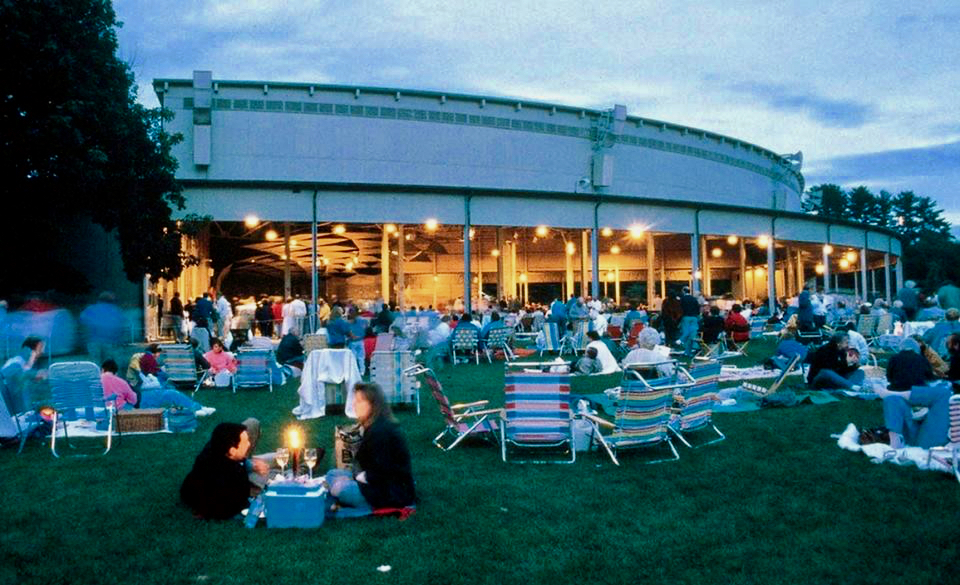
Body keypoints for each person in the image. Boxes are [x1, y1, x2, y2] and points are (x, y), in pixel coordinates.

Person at [324, 383, 416, 517]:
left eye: (360, 401)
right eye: (355, 400)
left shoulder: (381, 432)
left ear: (373, 405)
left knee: (342, 489)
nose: (355, 405)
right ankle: (350, 496)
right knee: (332, 474)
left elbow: (384, 472)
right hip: (375, 482)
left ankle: (365, 505)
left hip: (392, 491)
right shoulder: (374, 425)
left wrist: (359, 478)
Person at [874, 338, 952, 449]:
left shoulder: (894, 358)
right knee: (892, 400)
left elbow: (889, 377)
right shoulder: (922, 359)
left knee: (944, 394)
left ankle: (895, 395)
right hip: (922, 438)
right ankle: (895, 441)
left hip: (932, 443)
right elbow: (929, 377)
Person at [181, 422, 268, 520]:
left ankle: (273, 460)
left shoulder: (217, 444)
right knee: (269, 477)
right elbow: (235, 509)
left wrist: (250, 465)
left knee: (252, 423)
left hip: (232, 467)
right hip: (228, 489)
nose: (249, 444)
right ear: (232, 451)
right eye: (246, 442)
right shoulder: (224, 483)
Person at [101, 359, 214, 415]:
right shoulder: (119, 381)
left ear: (102, 370)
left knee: (162, 392)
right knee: (169, 393)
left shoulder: (93, 383)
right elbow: (134, 399)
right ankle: (198, 408)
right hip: (134, 404)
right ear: (115, 372)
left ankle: (196, 408)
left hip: (114, 409)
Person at [79, 292, 126, 365]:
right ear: (112, 301)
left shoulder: (90, 309)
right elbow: (121, 328)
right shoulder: (117, 310)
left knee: (95, 365)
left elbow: (83, 325)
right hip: (111, 343)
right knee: (108, 366)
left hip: (93, 343)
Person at [678, 286, 701, 356]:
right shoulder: (694, 299)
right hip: (694, 317)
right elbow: (698, 308)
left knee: (686, 332)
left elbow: (680, 309)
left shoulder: (683, 299)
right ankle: (689, 351)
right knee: (692, 334)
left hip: (686, 317)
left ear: (684, 291)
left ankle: (681, 342)